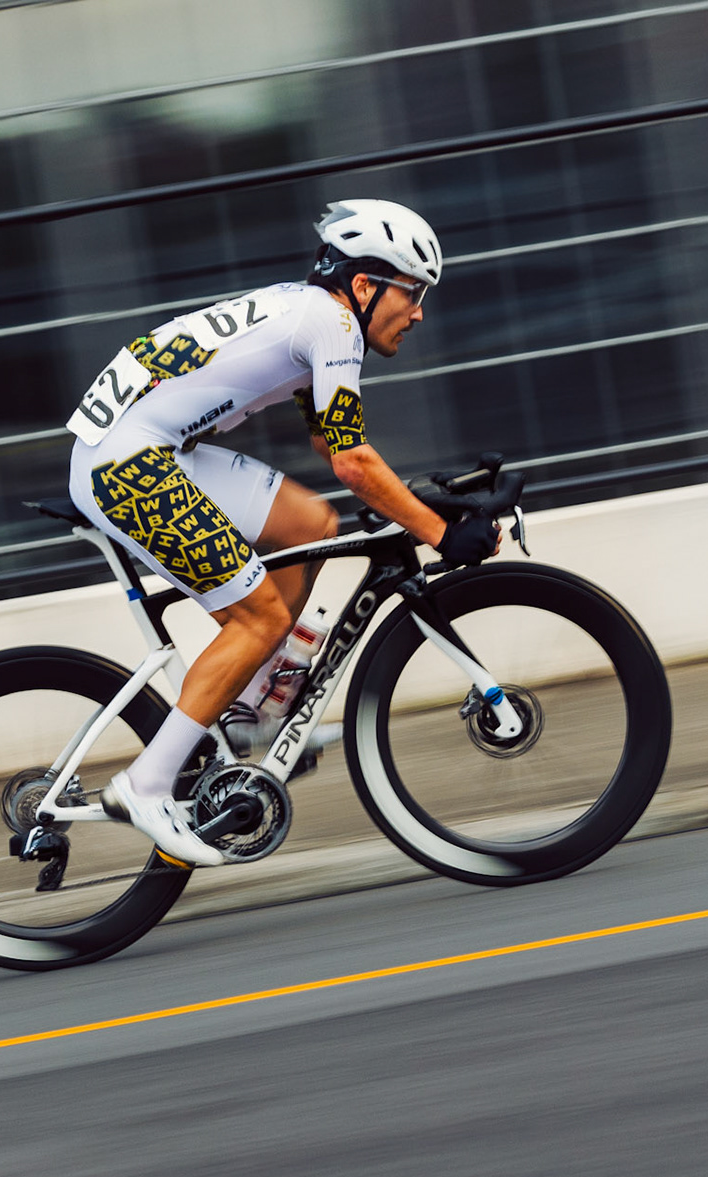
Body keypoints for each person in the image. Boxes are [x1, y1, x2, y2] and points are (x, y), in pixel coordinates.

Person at [64, 199, 500, 868]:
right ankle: (145, 785)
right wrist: (439, 532)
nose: (418, 313)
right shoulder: (334, 324)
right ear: (365, 285)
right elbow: (352, 463)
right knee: (260, 616)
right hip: (125, 464)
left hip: (146, 446)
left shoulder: (309, 312)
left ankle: (250, 712)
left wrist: (420, 501)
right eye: (412, 293)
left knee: (311, 522)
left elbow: (333, 444)